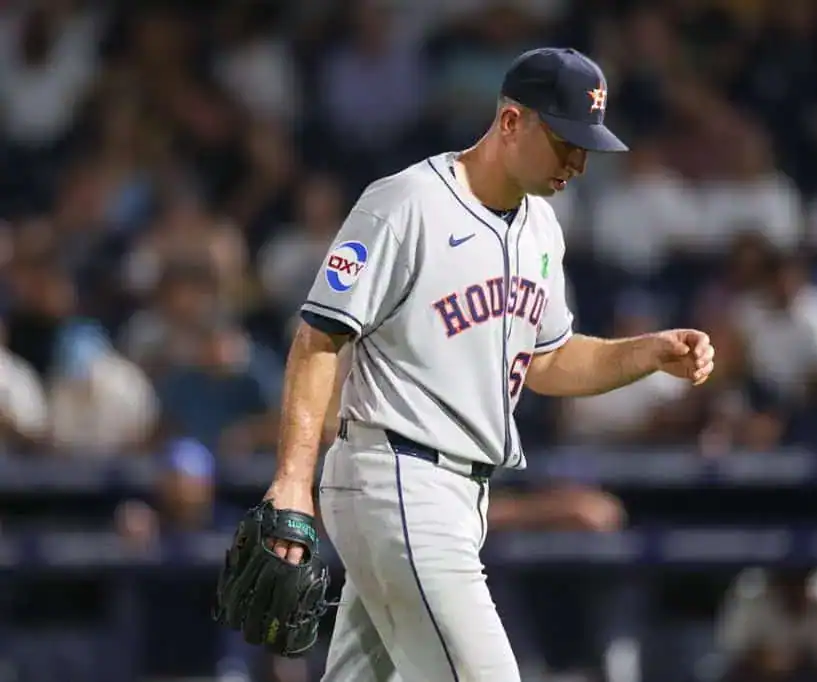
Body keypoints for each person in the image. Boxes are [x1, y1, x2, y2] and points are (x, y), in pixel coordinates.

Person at [262, 47, 715, 682]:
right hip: (398, 478)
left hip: (458, 494)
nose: (579, 163)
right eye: (565, 142)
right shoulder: (407, 203)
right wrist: (291, 480)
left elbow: (547, 359)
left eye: (586, 146)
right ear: (510, 121)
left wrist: (646, 353)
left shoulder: (542, 230)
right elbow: (319, 338)